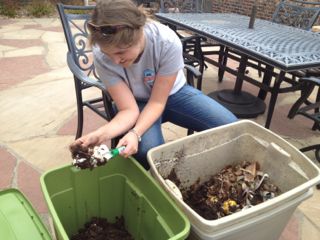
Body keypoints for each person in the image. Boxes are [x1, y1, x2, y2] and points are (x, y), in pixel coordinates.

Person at [69, 0, 237, 169]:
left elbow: (157, 102)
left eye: (121, 52)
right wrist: (100, 135)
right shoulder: (101, 55)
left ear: (139, 33)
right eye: (108, 54)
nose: (115, 61)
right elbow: (128, 110)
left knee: (231, 127)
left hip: (176, 95)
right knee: (146, 152)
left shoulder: (166, 41)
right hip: (138, 102)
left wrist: (135, 132)